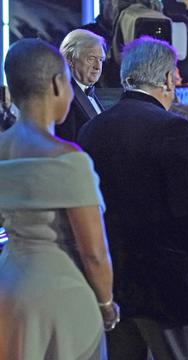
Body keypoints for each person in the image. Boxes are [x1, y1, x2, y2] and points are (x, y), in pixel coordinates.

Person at [77, 36, 188, 360]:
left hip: (112, 284)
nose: (178, 80)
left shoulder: (92, 129)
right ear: (166, 78)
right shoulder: (172, 128)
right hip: (166, 287)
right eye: (175, 72)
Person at [0, 38, 118, 359]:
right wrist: (106, 305)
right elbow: (94, 252)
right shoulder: (69, 160)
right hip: (60, 291)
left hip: (8, 285)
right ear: (56, 83)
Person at [56, 29, 106, 142]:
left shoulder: (90, 92)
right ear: (70, 59)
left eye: (101, 60)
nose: (98, 67)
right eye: (91, 59)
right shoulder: (62, 97)